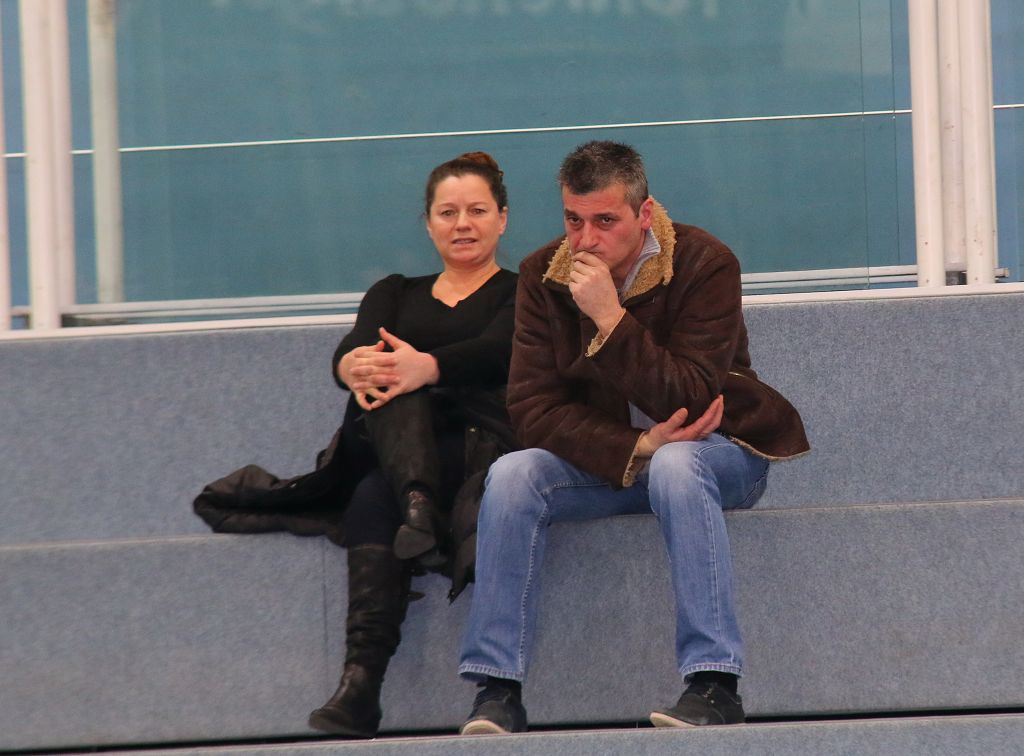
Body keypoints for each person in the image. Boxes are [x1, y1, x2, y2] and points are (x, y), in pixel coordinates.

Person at [456, 141, 809, 734]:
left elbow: (691, 396)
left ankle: (715, 683)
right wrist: (638, 447)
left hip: (722, 452)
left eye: (604, 221)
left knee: (677, 465)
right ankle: (497, 690)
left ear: (644, 214)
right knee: (513, 474)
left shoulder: (704, 262)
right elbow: (532, 410)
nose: (585, 240)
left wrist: (610, 318)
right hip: (619, 461)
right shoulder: (544, 275)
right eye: (574, 220)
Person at [194, 151, 518, 739]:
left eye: (476, 211)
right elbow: (354, 347)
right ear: (428, 223)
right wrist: (352, 367)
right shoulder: (394, 291)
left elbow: (498, 353)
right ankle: (361, 679)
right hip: (394, 445)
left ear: (502, 219)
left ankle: (363, 680)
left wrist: (425, 367)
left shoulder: (520, 293)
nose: (462, 224)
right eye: (447, 212)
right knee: (385, 391)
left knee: (373, 493)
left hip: (474, 445)